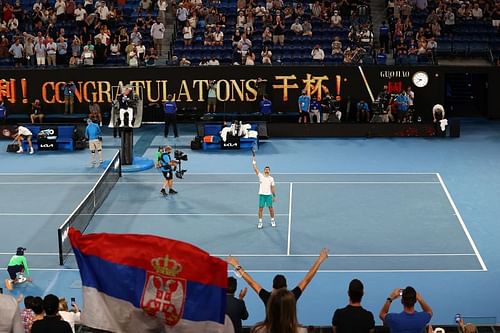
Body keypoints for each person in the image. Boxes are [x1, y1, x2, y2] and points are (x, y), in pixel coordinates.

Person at [227, 248, 328, 307]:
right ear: (286, 286)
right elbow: (306, 280)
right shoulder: (292, 297)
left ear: (273, 287)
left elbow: (251, 282)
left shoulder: (267, 297)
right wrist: (319, 260)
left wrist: (236, 265)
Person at [252, 155, 276, 229]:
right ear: (264, 170)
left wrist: (274, 196)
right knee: (260, 209)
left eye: (268, 169)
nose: (267, 170)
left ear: (269, 171)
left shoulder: (271, 178)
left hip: (268, 196)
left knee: (271, 209)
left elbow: (273, 187)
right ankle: (260, 222)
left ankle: (272, 220)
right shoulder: (260, 176)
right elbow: (255, 169)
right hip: (262, 195)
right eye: (266, 169)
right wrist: (254, 161)